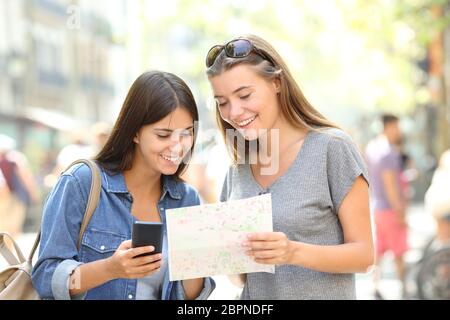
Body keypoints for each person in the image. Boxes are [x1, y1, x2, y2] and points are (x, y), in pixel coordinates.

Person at [205, 35, 374, 300]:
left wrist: (291, 251)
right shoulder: (237, 170)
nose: (234, 112)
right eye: (222, 102)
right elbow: (239, 278)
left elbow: (364, 256)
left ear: (276, 83)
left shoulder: (331, 148)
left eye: (244, 95)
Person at [31, 71, 215, 300]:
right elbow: (45, 278)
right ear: (135, 132)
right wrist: (109, 269)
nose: (177, 147)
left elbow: (188, 297)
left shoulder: (187, 199)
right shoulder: (82, 183)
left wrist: (199, 259)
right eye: (163, 135)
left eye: (186, 133)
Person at [365, 114, 408, 299]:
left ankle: (374, 285)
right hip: (389, 209)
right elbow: (390, 184)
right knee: (399, 251)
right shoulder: (387, 152)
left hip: (376, 207)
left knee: (379, 251)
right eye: (397, 127)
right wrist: (399, 211)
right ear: (389, 126)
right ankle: (405, 288)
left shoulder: (372, 148)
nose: (399, 131)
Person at [0, 134, 39, 239]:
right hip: (17, 197)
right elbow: (26, 177)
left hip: (3, 197)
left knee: (3, 226)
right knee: (14, 227)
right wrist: (33, 194)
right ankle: (9, 252)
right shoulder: (17, 158)